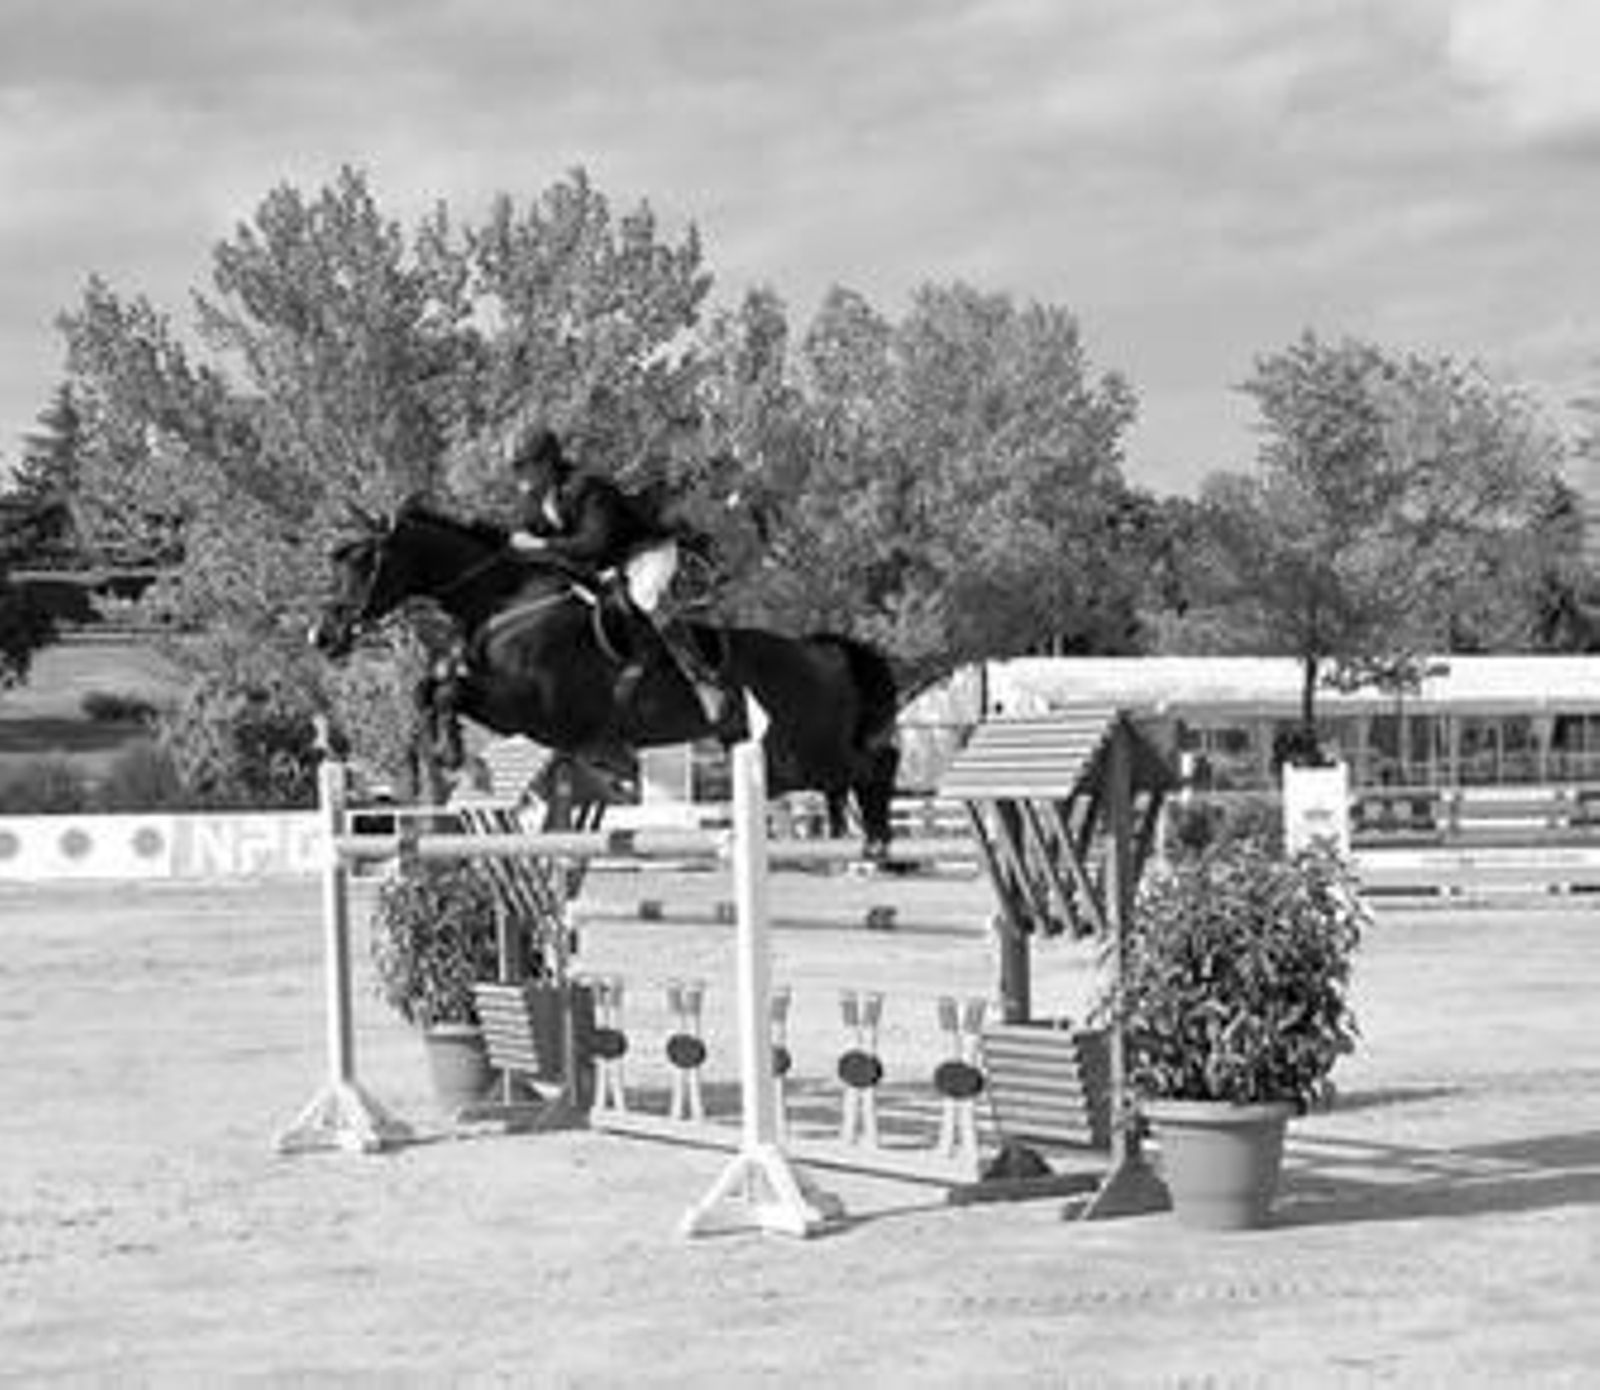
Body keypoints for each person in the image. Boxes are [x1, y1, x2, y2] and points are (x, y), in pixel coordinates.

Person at [503, 426, 729, 725]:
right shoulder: (536, 503)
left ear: (546, 462)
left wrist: (542, 544)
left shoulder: (586, 486)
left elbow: (595, 543)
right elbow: (518, 538)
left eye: (522, 466)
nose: (517, 475)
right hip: (608, 570)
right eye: (514, 468)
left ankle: (703, 681)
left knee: (645, 595)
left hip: (646, 553)